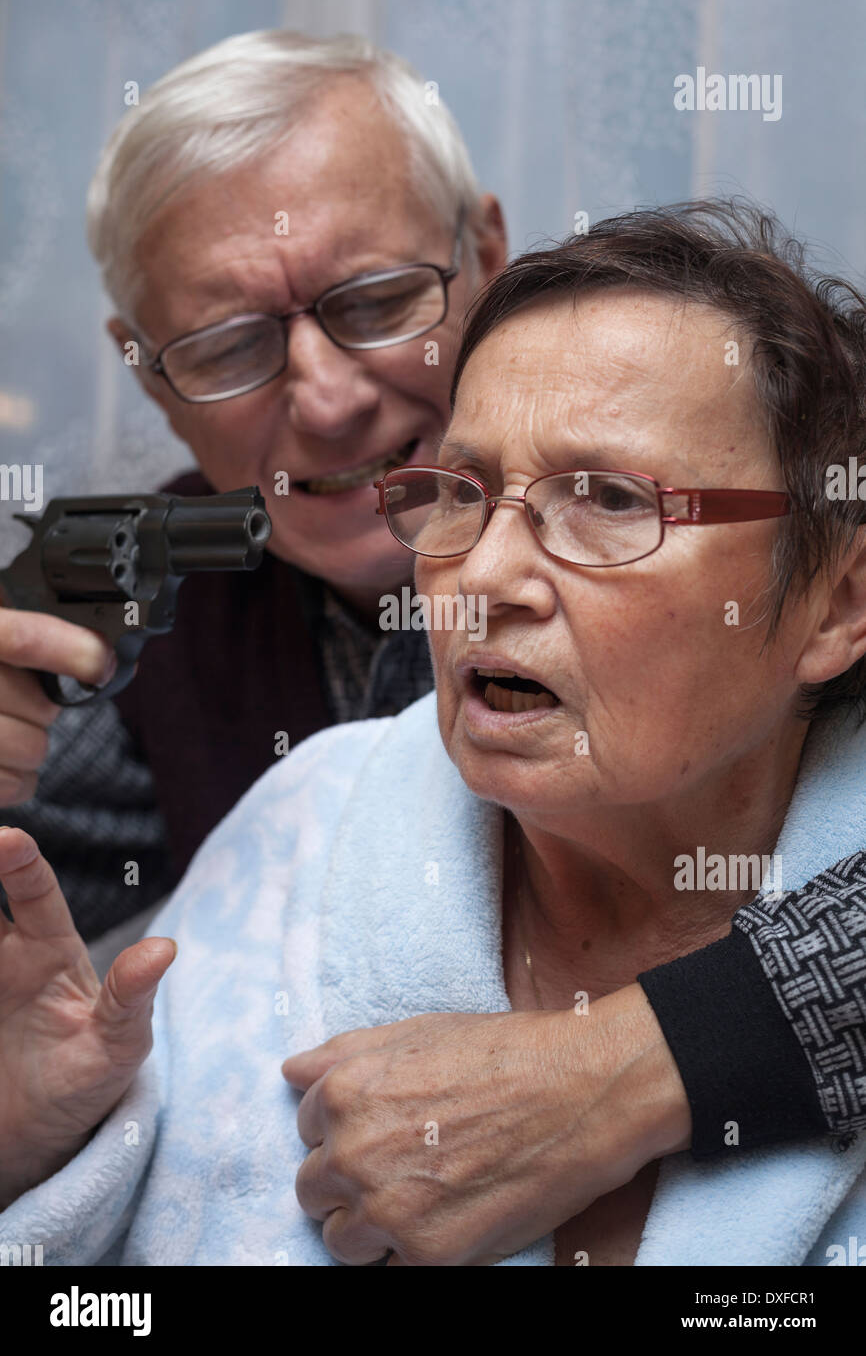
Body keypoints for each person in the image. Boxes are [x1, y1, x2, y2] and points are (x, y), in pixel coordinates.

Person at [1, 200, 865, 1265]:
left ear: (833, 603)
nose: (483, 578)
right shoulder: (306, 821)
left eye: (604, 496)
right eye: (458, 491)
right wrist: (40, 1145)